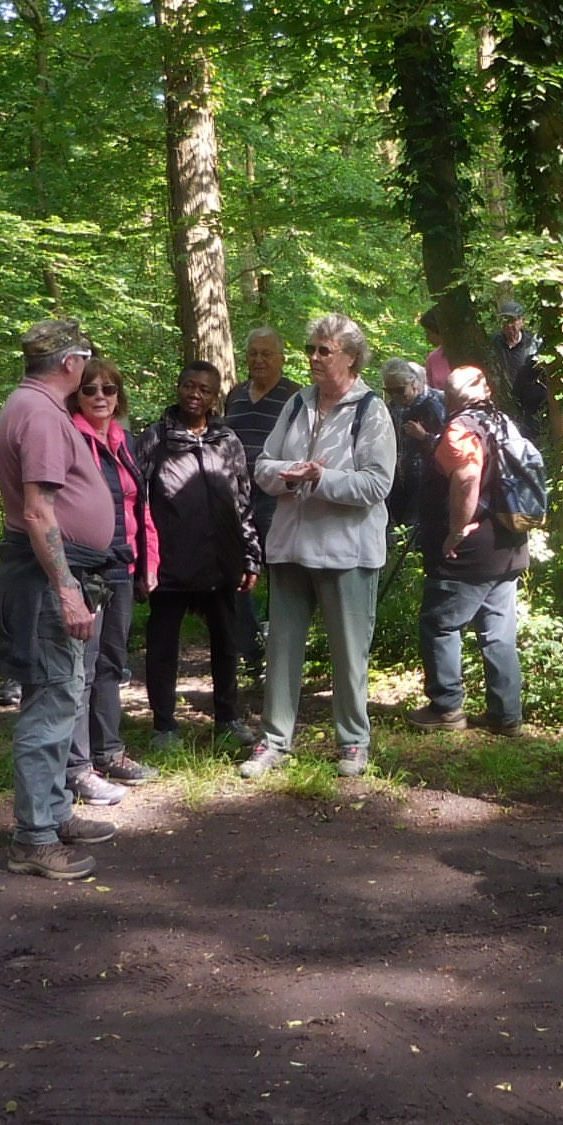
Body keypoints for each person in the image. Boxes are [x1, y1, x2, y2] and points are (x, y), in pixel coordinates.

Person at [0, 318, 120, 881]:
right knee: (50, 703)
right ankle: (34, 838)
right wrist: (67, 588)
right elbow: (39, 510)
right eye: (84, 360)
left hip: (52, 573)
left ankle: (54, 815)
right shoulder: (41, 415)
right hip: (48, 578)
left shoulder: (29, 406)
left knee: (60, 696)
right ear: (70, 363)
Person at [241, 314, 397, 780]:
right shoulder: (295, 403)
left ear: (350, 357)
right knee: (282, 649)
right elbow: (263, 465)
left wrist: (321, 478)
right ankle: (274, 741)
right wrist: (286, 475)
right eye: (311, 348)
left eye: (323, 350)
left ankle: (352, 742)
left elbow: (377, 484)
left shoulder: (372, 411)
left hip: (347, 551)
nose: (313, 358)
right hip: (290, 546)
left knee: (350, 653)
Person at [135, 361, 262, 750]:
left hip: (221, 559)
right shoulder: (155, 439)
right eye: (188, 385)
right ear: (177, 388)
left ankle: (227, 717)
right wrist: (143, 559)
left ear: (214, 397)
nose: (195, 394)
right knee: (163, 645)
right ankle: (164, 725)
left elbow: (243, 499)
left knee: (226, 642)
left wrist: (250, 554)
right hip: (171, 562)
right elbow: (137, 501)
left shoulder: (228, 440)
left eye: (204, 390)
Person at [407, 366, 528, 736]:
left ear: (451, 395)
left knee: (440, 624)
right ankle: (506, 715)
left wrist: (456, 531)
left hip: (471, 551)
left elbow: (467, 476)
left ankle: (446, 709)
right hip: (509, 542)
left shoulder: (461, 428)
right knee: (498, 632)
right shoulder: (503, 421)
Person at [66, 360, 160, 802]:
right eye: (90, 389)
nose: (100, 396)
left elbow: (141, 507)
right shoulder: (71, 438)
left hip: (122, 565)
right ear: (77, 396)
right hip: (86, 566)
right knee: (80, 669)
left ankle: (108, 752)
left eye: (109, 388)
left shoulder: (125, 442)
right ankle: (77, 766)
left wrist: (149, 564)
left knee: (111, 663)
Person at [225, 326, 299, 690]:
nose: (258, 360)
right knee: (238, 575)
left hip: (277, 499)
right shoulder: (236, 395)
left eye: (266, 353)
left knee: (281, 576)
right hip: (236, 499)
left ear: (281, 358)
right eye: (253, 353)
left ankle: (281, 653)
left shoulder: (296, 397)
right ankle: (251, 651)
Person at [381, 357, 445, 531]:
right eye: (389, 390)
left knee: (415, 531)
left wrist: (425, 437)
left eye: (400, 390)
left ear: (414, 383)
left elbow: (451, 447)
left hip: (428, 481)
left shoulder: (435, 402)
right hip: (399, 479)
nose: (395, 395)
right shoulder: (393, 406)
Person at [494, 299, 550, 440]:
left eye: (513, 321)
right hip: (501, 403)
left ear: (522, 321)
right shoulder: (493, 344)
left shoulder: (532, 344)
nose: (509, 325)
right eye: (505, 321)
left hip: (529, 407)